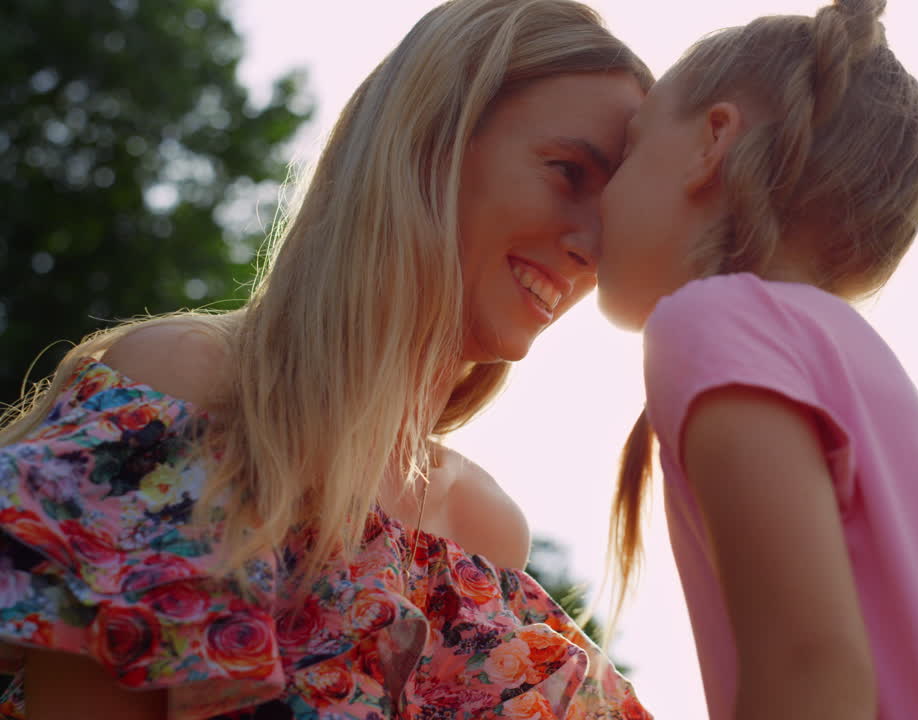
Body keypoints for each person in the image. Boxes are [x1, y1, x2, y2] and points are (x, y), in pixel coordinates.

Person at [0, 0, 653, 718]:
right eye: (568, 172)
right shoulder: (189, 392)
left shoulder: (487, 533)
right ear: (430, 143)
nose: (592, 245)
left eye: (618, 211)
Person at [597, 1, 918, 718]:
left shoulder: (714, 321)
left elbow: (811, 668)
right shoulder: (891, 402)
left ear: (712, 141)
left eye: (628, 149)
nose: (601, 195)